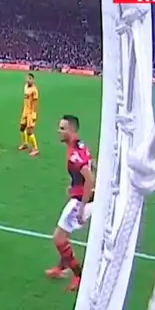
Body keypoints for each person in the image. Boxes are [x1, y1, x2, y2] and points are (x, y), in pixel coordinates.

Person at [44, 115, 94, 292]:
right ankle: (62, 266)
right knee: (64, 234)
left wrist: (82, 207)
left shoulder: (74, 155)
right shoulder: (79, 146)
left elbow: (90, 179)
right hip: (81, 195)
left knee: (59, 238)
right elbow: (89, 167)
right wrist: (74, 186)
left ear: (72, 130)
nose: (59, 131)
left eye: (62, 128)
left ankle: (78, 274)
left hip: (82, 201)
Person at [18, 73, 40, 156]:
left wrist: (34, 114)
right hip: (25, 111)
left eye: (30, 78)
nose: (28, 80)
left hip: (31, 113)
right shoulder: (25, 87)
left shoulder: (34, 90)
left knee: (29, 132)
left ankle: (35, 149)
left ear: (33, 80)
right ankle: (25, 144)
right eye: (27, 78)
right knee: (22, 128)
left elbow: (35, 103)